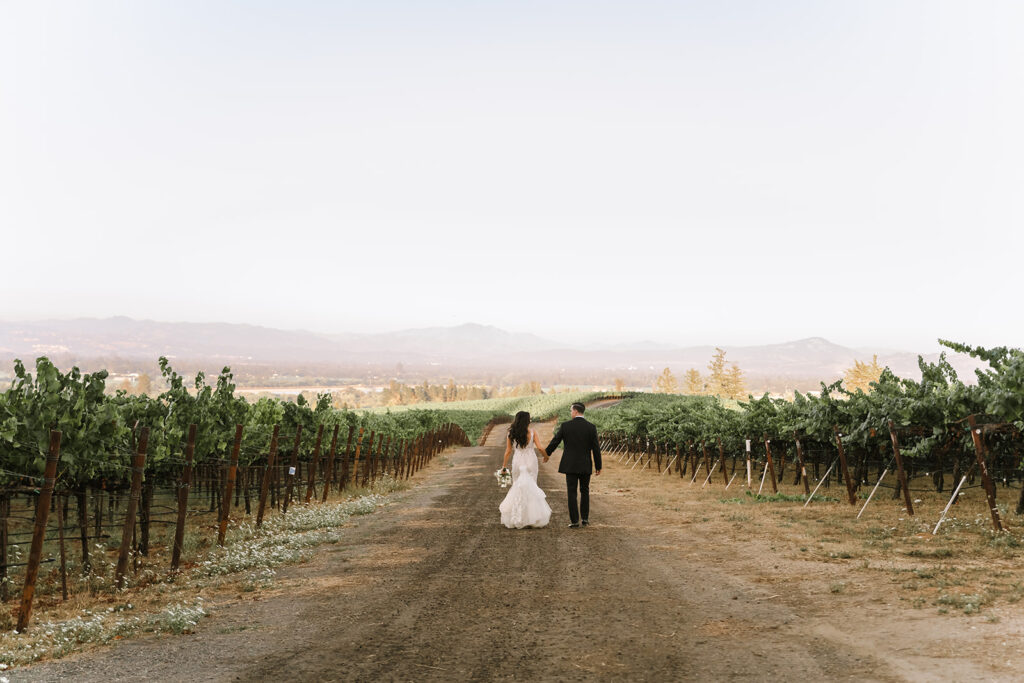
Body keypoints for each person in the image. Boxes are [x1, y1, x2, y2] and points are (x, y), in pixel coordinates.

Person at [544, 402, 601, 528]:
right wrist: (598, 466)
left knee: (572, 492)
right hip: (585, 464)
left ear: (575, 411)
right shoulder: (591, 427)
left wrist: (546, 453)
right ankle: (585, 519)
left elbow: (555, 441)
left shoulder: (566, 426)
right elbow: (596, 448)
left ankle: (574, 521)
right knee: (585, 491)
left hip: (570, 465)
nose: (571, 413)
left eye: (571, 411)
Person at [498, 411, 552, 529]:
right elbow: (540, 447)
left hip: (518, 460)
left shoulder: (511, 433)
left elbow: (508, 451)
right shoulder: (532, 432)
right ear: (527, 420)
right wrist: (546, 456)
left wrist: (504, 466)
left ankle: (518, 516)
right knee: (532, 487)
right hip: (531, 461)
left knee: (517, 487)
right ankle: (531, 517)